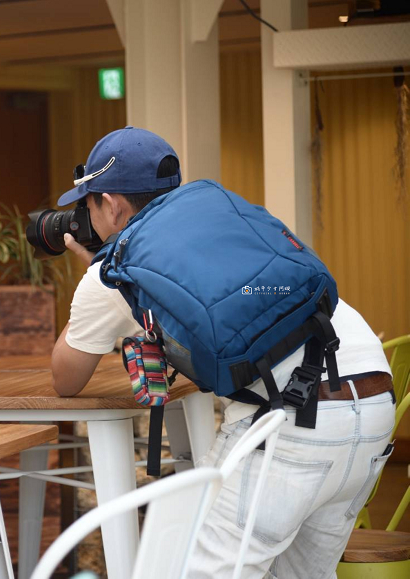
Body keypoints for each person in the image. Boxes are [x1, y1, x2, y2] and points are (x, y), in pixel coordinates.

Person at [50, 127, 395, 578]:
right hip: (372, 403)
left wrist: (94, 279)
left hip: (292, 424)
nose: (85, 217)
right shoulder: (220, 221)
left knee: (188, 570)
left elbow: (66, 378)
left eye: (88, 203)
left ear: (112, 204)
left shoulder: (117, 270)